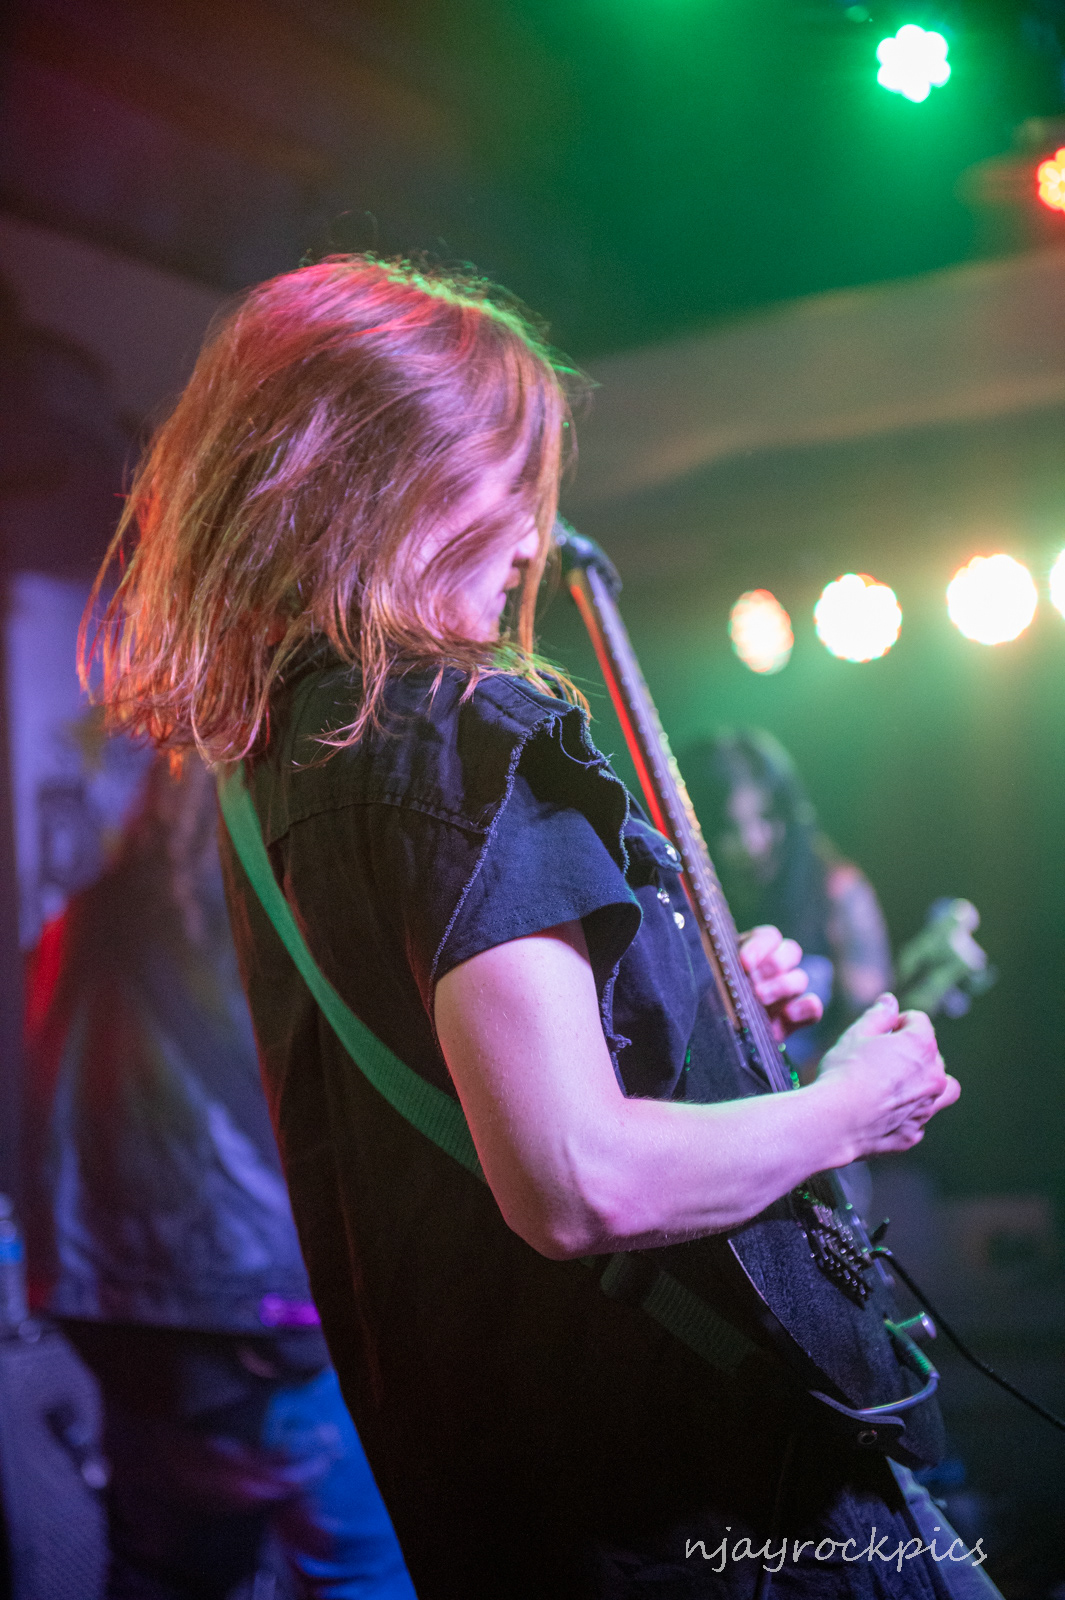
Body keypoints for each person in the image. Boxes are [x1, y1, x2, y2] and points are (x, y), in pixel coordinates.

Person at [82, 255, 991, 1598]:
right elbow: (577, 1178)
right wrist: (850, 1108)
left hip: (518, 1509)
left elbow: (469, 1077)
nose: (532, 538)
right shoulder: (458, 728)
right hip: (703, 1507)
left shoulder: (290, 750)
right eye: (513, 481)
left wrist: (675, 1004)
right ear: (393, 475)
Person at [24, 753, 416, 1600]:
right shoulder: (273, 918)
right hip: (275, 1333)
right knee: (366, 1575)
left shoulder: (79, 923)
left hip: (132, 1339)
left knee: (160, 1578)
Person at [680, 730, 893, 1072]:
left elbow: (868, 1019)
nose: (753, 843)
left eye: (766, 818)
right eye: (728, 828)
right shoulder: (682, 906)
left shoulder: (837, 890)